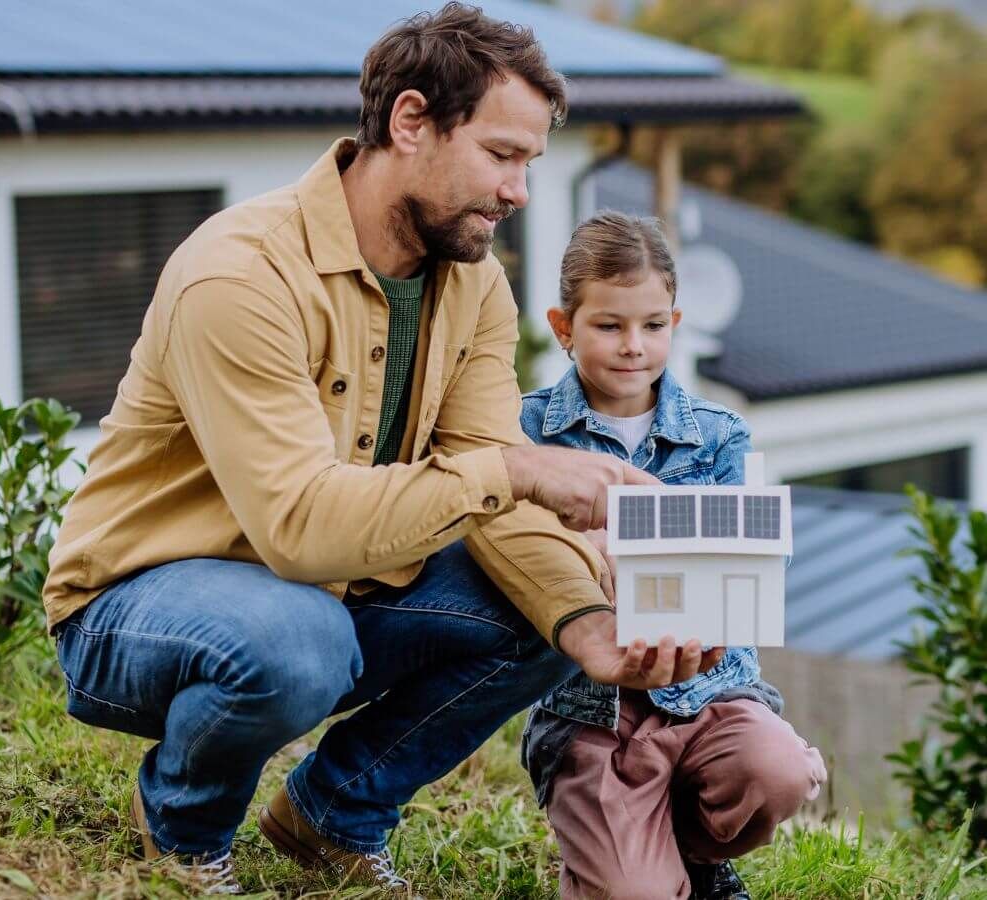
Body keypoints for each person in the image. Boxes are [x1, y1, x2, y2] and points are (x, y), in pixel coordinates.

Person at [42, 6, 720, 894]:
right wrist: (520, 466)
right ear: (410, 122)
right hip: (137, 608)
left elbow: (490, 492)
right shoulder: (240, 273)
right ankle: (186, 829)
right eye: (502, 155)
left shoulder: (473, 283)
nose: (519, 190)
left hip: (326, 595)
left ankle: (332, 816)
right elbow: (299, 528)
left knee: (550, 591)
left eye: (530, 162)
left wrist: (590, 629)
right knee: (299, 639)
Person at [520, 212, 827, 900]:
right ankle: (633, 857)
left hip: (709, 694)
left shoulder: (720, 436)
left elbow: (752, 564)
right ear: (563, 325)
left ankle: (694, 854)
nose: (634, 347)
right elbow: (507, 553)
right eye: (609, 326)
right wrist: (580, 548)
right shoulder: (528, 432)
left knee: (775, 771)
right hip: (592, 709)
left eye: (653, 326)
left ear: (676, 322)